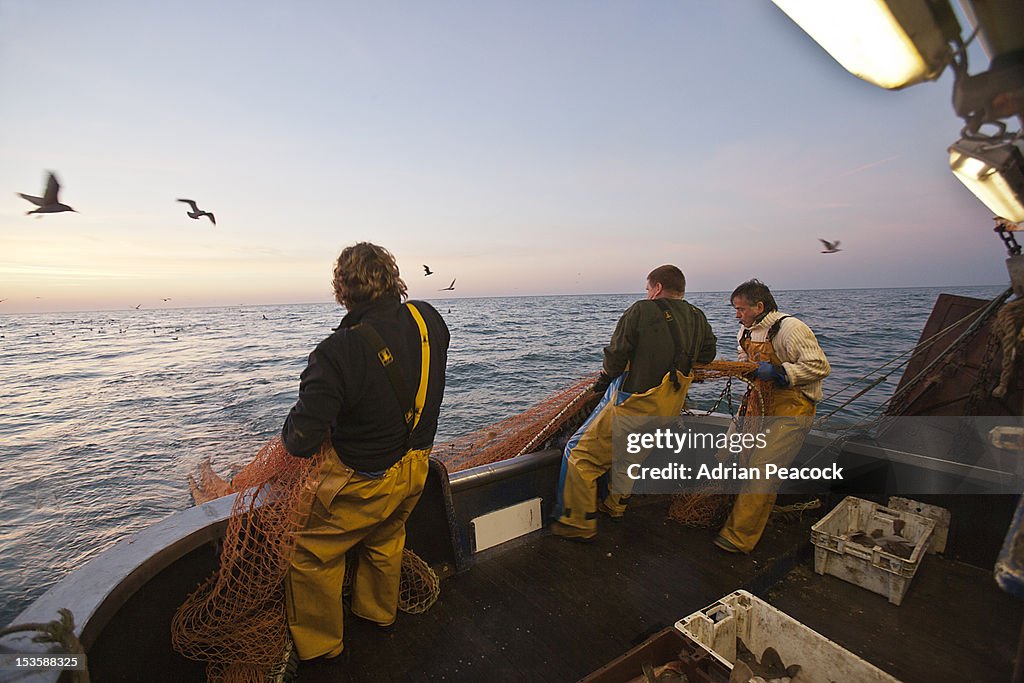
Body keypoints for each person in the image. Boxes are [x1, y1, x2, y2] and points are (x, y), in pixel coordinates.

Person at [281, 242, 449, 660]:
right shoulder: (430, 320)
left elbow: (300, 440)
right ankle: (378, 616)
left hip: (362, 479)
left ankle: (322, 649)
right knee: (386, 537)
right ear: (393, 278)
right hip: (415, 467)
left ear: (342, 290)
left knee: (311, 554)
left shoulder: (336, 352)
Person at [552, 264, 717, 541]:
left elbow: (616, 355)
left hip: (636, 403)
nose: (647, 292)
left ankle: (576, 522)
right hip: (669, 407)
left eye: (648, 288)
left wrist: (605, 377)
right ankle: (614, 506)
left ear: (658, 288)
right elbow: (708, 353)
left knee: (579, 455)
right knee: (630, 455)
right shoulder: (697, 316)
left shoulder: (641, 310)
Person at [714, 279, 830, 554]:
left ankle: (737, 537)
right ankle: (736, 514)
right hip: (758, 404)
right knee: (731, 454)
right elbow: (744, 358)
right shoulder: (745, 331)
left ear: (760, 306)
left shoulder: (790, 329)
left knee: (763, 470)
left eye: (741, 309)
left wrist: (781, 373)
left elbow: (819, 366)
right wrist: (745, 368)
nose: (737, 315)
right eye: (736, 309)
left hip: (793, 406)